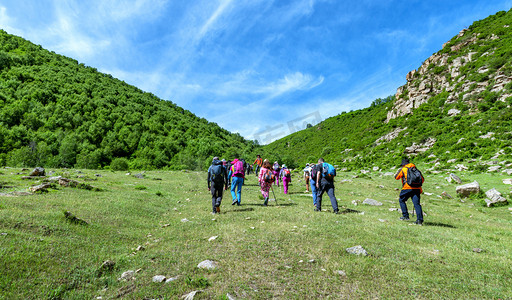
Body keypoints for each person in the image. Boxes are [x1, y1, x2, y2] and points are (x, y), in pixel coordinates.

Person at [394, 157, 424, 225]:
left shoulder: (403, 169)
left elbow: (396, 177)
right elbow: (422, 180)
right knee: (417, 204)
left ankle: (405, 216)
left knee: (401, 200)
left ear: (403, 164)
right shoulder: (415, 169)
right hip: (417, 189)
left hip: (407, 188)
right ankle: (419, 220)